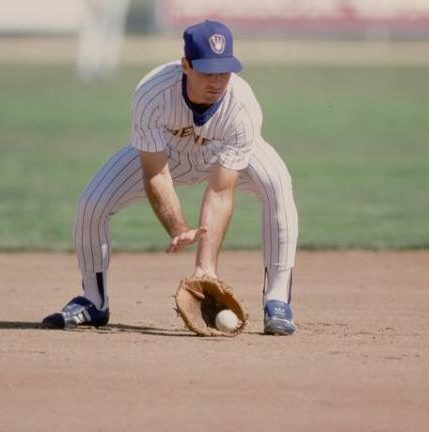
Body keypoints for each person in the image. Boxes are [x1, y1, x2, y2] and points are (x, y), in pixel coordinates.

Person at [44, 20, 299, 335]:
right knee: (91, 203)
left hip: (222, 155)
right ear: (186, 66)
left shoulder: (242, 106)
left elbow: (220, 191)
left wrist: (205, 268)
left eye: (224, 71)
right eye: (207, 71)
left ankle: (277, 300)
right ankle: (93, 302)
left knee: (277, 183)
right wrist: (177, 227)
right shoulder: (153, 94)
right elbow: (156, 172)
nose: (217, 81)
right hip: (168, 157)